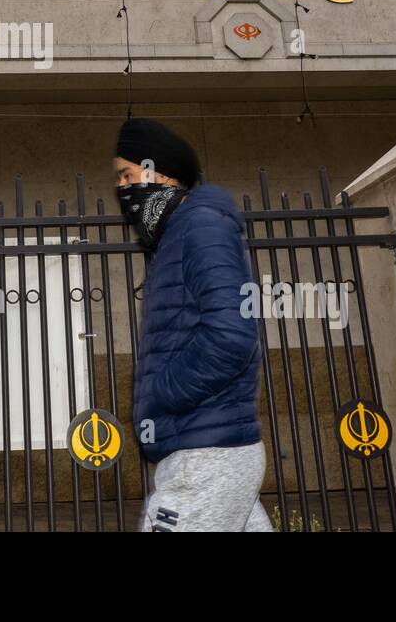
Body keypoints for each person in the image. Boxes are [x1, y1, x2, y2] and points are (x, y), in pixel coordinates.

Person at [114, 117, 273, 532]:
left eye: (129, 175)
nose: (123, 189)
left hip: (205, 454)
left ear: (164, 174)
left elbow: (232, 337)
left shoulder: (200, 227)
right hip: (210, 449)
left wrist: (162, 393)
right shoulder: (177, 235)